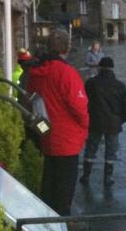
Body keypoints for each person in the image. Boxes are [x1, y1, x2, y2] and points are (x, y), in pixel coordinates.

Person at [27, 29, 89, 215]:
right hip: (67, 140)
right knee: (64, 190)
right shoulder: (67, 73)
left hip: (46, 136)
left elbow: (31, 103)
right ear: (66, 48)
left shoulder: (36, 74)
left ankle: (45, 223)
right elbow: (79, 108)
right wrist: (85, 126)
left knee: (49, 184)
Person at [79, 56, 126, 188]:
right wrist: (121, 120)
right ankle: (108, 178)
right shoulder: (120, 85)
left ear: (99, 67)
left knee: (91, 148)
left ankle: (86, 175)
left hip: (95, 121)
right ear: (112, 68)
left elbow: (83, 101)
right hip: (114, 123)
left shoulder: (91, 83)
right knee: (111, 150)